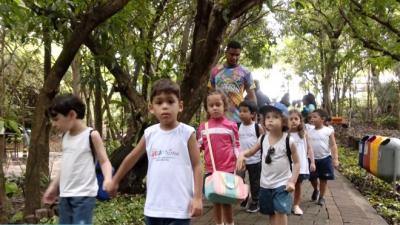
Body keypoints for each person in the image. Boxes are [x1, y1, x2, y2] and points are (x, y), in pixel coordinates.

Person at [105, 79, 203, 225]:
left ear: (180, 106)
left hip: (180, 208)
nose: (165, 106)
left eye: (170, 101)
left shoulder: (187, 133)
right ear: (151, 108)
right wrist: (115, 180)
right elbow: (131, 158)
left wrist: (197, 198)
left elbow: (197, 165)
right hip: (153, 208)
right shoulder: (150, 133)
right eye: (159, 102)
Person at [42, 94, 113, 224]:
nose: (54, 124)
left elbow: (104, 161)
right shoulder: (65, 137)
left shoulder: (91, 135)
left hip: (84, 196)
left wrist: (108, 179)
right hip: (65, 195)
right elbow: (65, 166)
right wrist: (53, 187)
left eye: (56, 119)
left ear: (71, 115)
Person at [237, 104, 300, 225]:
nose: (270, 119)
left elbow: (297, 163)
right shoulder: (262, 138)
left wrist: (292, 181)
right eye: (267, 117)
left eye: (275, 117)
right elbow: (250, 152)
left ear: (284, 121)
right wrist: (241, 155)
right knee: (270, 212)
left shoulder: (288, 141)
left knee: (281, 211)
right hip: (265, 184)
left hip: (282, 183)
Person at [197, 90, 240, 225]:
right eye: (211, 105)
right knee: (215, 200)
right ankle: (218, 223)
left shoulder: (231, 126)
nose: (215, 108)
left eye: (218, 104)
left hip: (228, 168)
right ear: (207, 108)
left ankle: (230, 222)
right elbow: (198, 147)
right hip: (211, 170)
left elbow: (236, 146)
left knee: (227, 200)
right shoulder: (204, 127)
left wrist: (240, 159)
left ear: (224, 106)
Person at [209, 40, 257, 124]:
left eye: (237, 55)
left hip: (239, 119)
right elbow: (210, 94)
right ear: (226, 53)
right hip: (218, 119)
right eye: (231, 54)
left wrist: (254, 121)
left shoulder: (246, 72)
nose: (234, 58)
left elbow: (252, 97)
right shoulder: (215, 71)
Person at [237, 100, 264, 213]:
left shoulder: (257, 127)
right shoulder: (237, 126)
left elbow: (263, 143)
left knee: (255, 182)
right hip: (242, 160)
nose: (241, 113)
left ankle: (255, 201)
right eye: (240, 111)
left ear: (252, 114)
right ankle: (244, 195)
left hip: (255, 160)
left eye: (245, 111)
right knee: (239, 180)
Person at [308, 109, 339, 206]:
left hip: (325, 158)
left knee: (323, 178)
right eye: (311, 117)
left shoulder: (328, 130)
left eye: (315, 117)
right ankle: (315, 189)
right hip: (312, 159)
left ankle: (321, 197)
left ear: (322, 119)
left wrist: (335, 159)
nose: (312, 119)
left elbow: (333, 145)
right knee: (312, 178)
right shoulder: (308, 131)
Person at [288, 109, 316, 215]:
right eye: (291, 119)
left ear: (300, 120)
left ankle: (296, 205)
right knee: (286, 185)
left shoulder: (304, 134)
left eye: (296, 119)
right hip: (287, 165)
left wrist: (312, 162)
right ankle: (285, 204)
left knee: (298, 185)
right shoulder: (285, 134)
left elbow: (309, 149)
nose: (294, 121)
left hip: (300, 165)